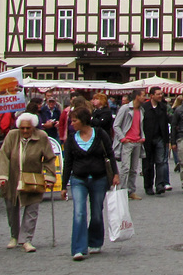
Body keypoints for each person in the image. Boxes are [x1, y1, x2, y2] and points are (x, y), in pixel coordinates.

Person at [59, 107, 120, 261]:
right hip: (78, 179)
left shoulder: (99, 134)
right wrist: (63, 185)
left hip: (99, 178)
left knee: (97, 213)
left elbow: (110, 154)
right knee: (79, 213)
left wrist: (115, 174)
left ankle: (95, 241)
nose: (72, 124)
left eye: (74, 120)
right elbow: (68, 163)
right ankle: (79, 248)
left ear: (84, 120)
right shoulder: (72, 139)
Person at [0, 113, 56, 252]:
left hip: (33, 178)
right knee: (11, 207)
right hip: (12, 178)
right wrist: (2, 176)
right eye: (22, 128)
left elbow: (49, 158)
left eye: (28, 128)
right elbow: (3, 155)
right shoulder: (12, 135)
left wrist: (50, 176)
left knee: (32, 208)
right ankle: (14, 236)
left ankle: (26, 239)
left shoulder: (41, 137)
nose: (25, 131)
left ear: (33, 127)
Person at [112, 90, 145, 200]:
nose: (145, 97)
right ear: (137, 96)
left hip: (137, 141)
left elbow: (140, 125)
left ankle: (131, 191)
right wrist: (122, 138)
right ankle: (122, 190)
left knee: (134, 168)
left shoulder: (141, 110)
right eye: (143, 95)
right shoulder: (125, 108)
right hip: (128, 142)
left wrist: (142, 136)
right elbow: (116, 125)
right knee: (125, 167)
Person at [141, 86, 171, 195]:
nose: (160, 96)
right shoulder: (144, 108)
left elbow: (167, 121)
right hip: (147, 139)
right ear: (151, 95)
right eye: (158, 94)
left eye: (161, 94)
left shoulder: (163, 107)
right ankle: (148, 186)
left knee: (161, 162)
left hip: (160, 138)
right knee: (148, 164)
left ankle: (159, 185)